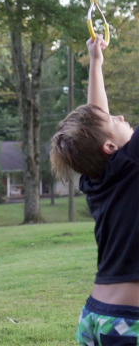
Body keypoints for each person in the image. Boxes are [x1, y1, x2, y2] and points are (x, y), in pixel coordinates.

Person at [50, 34, 139, 345]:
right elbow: (100, 123)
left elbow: (97, 123)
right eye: (117, 120)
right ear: (111, 146)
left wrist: (96, 64)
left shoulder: (98, 178)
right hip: (128, 321)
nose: (123, 116)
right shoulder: (129, 162)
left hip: (96, 315)